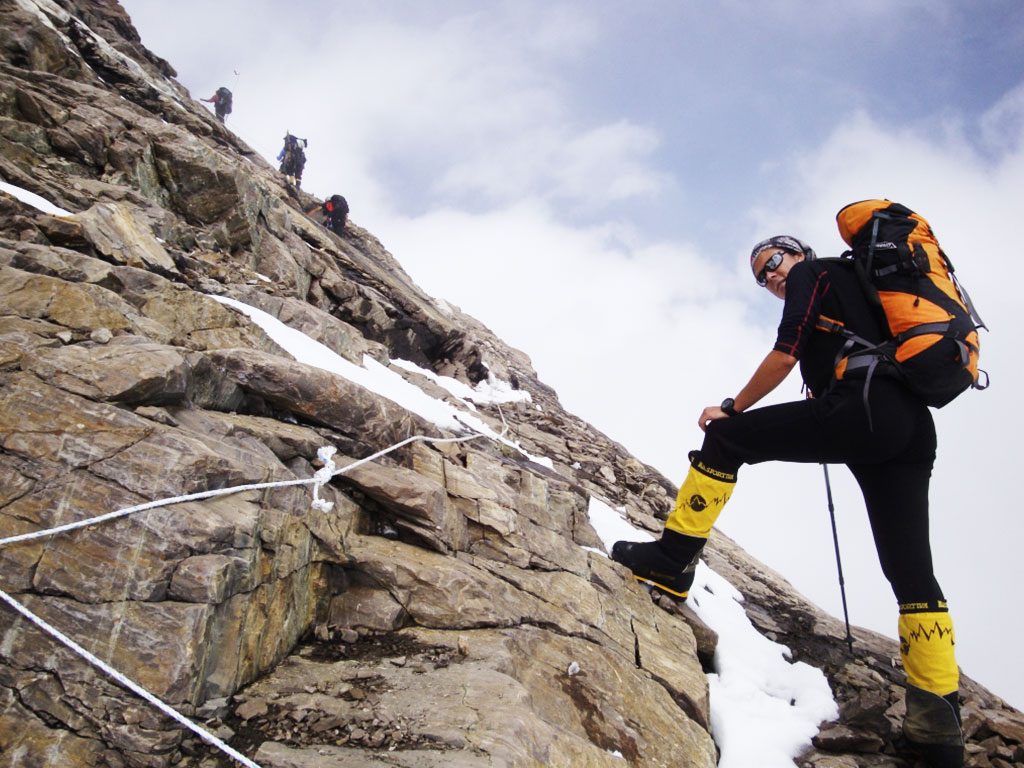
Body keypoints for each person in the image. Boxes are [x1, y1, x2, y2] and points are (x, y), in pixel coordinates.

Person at [611, 234, 964, 767]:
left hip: (864, 409)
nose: (772, 276)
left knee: (727, 438)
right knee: (912, 574)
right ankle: (939, 733)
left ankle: (670, 560)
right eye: (762, 276)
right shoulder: (860, 290)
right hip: (911, 429)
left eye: (774, 262)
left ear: (797, 252)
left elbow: (785, 351)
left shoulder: (815, 274)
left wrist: (733, 406)